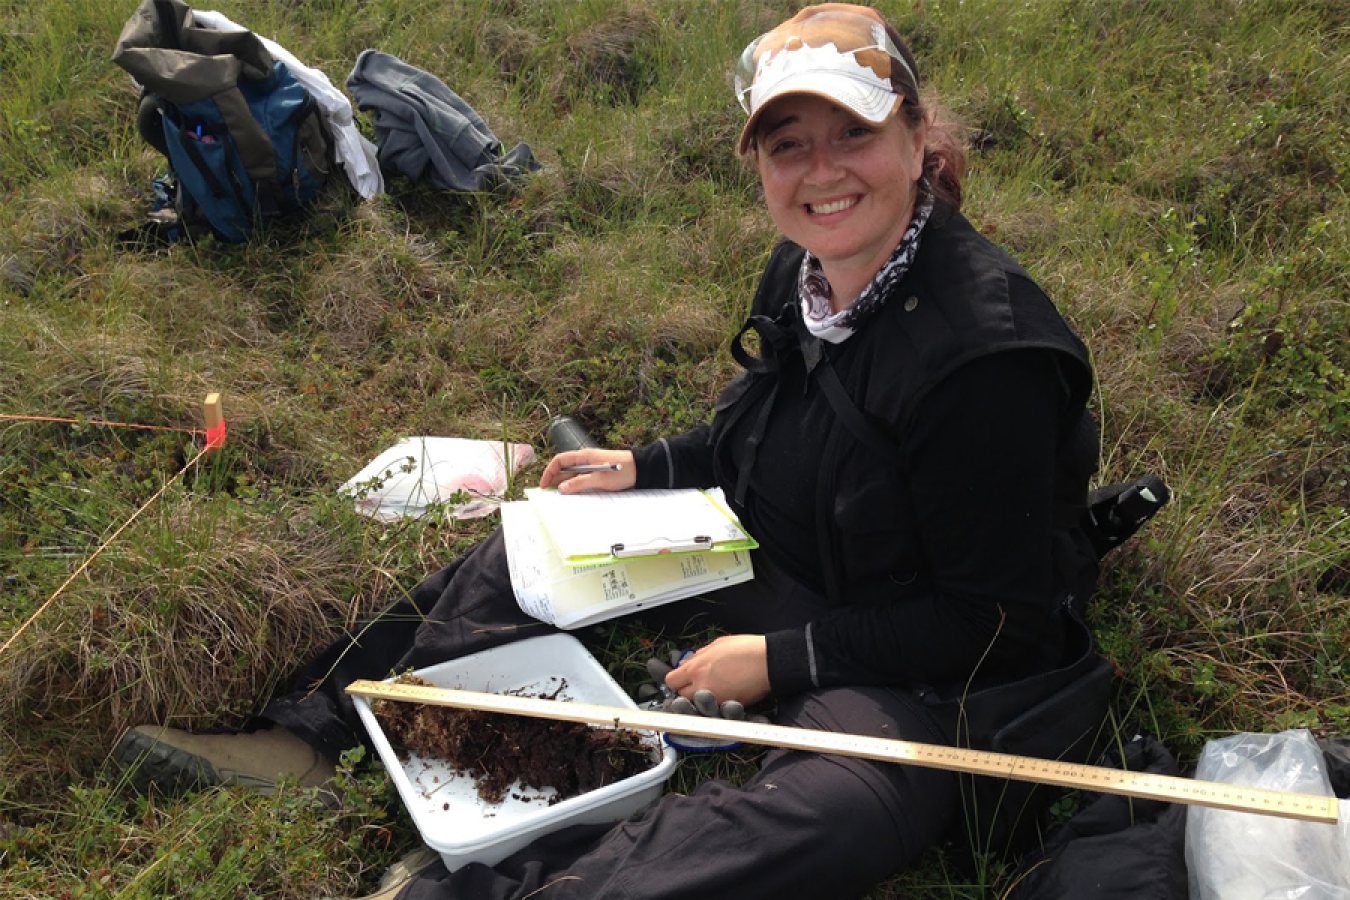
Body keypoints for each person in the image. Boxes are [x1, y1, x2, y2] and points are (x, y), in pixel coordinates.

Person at [115, 6, 1114, 899]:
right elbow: (755, 435)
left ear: (914, 133)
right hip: (773, 563)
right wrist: (648, 468)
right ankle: (311, 735)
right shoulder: (808, 264)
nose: (821, 172)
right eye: (788, 144)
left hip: (917, 660)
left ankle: (514, 884)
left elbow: (999, 621)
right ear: (757, 160)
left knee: (842, 810)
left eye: (853, 133)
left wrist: (783, 659)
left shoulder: (988, 361)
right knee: (534, 542)